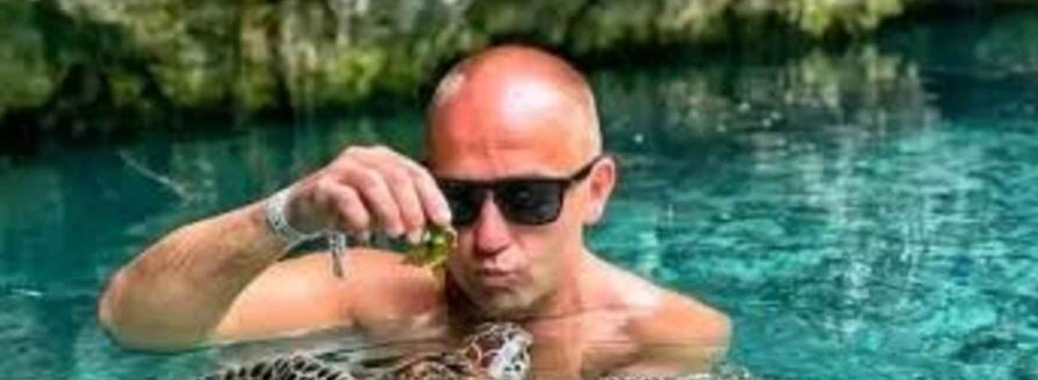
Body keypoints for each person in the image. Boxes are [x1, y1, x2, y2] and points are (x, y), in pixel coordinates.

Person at [98, 45, 731, 378]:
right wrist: (290, 213)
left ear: (595, 191)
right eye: (459, 200)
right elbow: (134, 322)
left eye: (528, 199)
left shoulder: (668, 336)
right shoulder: (371, 295)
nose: (488, 238)